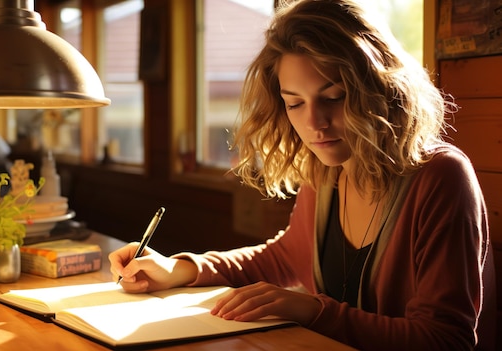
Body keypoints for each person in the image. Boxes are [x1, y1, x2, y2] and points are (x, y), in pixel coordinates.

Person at [108, 0, 496, 350]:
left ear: (382, 90)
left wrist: (313, 311)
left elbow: (447, 339)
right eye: (294, 103)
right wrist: (180, 268)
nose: (314, 124)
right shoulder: (328, 170)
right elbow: (283, 256)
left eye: (334, 98)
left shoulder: (441, 177)